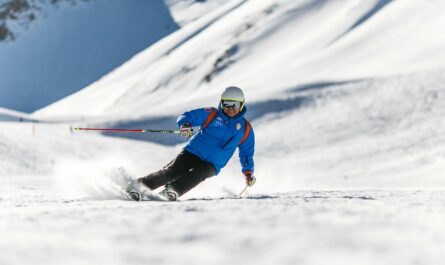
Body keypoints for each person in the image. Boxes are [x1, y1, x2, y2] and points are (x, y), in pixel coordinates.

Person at [130, 86, 255, 201]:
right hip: (193, 151)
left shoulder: (245, 129)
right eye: (227, 104)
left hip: (213, 164)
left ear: (242, 105)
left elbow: (246, 153)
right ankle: (137, 187)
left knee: (198, 174)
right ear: (222, 103)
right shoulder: (212, 114)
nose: (230, 108)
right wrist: (185, 125)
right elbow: (187, 116)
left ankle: (172, 191)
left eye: (235, 105)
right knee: (172, 171)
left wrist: (248, 172)